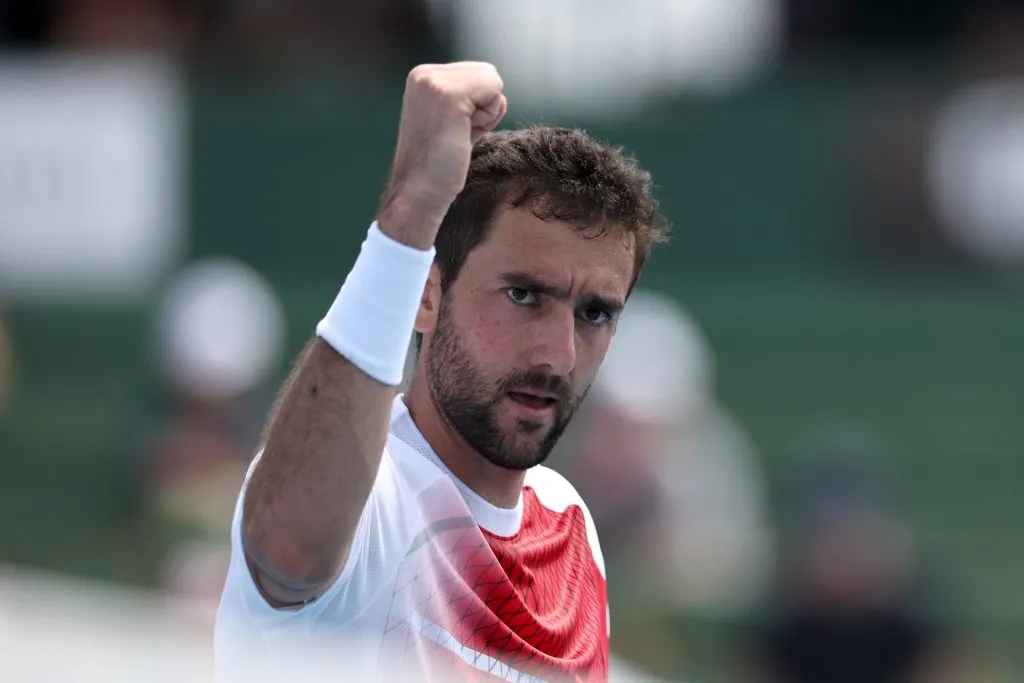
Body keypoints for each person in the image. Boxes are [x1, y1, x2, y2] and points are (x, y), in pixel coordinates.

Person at [215, 62, 666, 682]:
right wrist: (410, 216)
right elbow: (292, 550)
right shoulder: (366, 495)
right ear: (425, 296)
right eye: (523, 296)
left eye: (594, 313)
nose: (558, 355)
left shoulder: (570, 528)